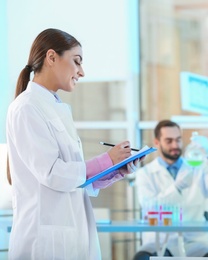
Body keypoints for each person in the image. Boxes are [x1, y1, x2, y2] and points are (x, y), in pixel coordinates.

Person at [6, 28, 141, 260]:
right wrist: (106, 159)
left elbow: (75, 181)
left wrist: (113, 170)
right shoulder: (26, 108)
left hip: (69, 237)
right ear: (51, 57)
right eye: (76, 62)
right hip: (44, 243)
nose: (82, 72)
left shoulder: (54, 107)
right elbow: (53, 174)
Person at [134, 120, 208, 259]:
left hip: (194, 242)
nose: (175, 145)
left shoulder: (197, 167)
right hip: (159, 242)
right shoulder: (145, 174)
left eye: (178, 140)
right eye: (169, 141)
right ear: (156, 142)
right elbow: (149, 206)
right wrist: (176, 188)